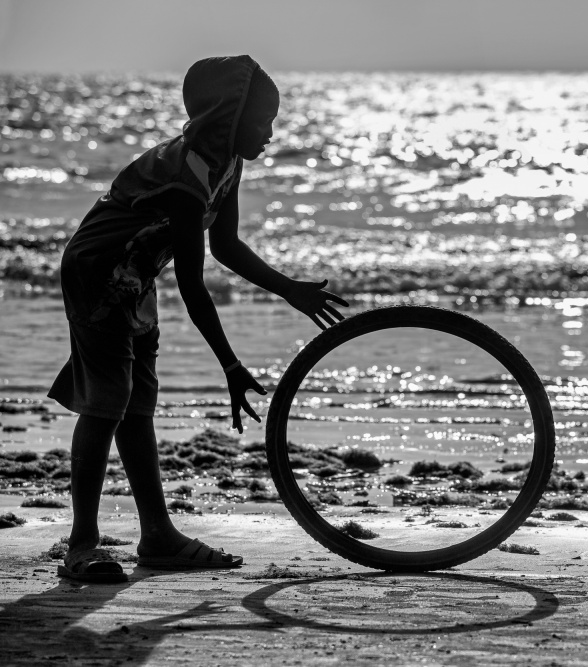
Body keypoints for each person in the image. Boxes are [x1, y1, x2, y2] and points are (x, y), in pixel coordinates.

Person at [48, 55, 349, 582]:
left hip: (135, 273)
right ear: (228, 117)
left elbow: (226, 245)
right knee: (106, 403)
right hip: (96, 273)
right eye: (263, 121)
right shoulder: (186, 173)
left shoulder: (227, 162)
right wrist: (230, 366)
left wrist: (289, 289)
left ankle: (158, 535)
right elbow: (192, 284)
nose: (270, 135)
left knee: (137, 403)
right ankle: (81, 545)